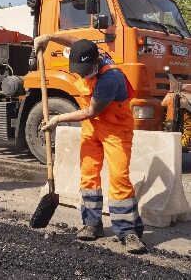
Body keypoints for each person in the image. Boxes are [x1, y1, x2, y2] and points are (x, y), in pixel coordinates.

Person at [34, 34, 146, 254]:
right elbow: (75, 42)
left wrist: (57, 119)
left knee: (119, 177)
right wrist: (48, 37)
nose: (82, 75)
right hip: (92, 128)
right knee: (88, 174)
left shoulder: (110, 78)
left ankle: (128, 232)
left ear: (95, 63)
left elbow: (91, 111)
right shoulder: (93, 52)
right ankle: (92, 224)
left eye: (84, 71)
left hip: (115, 129)